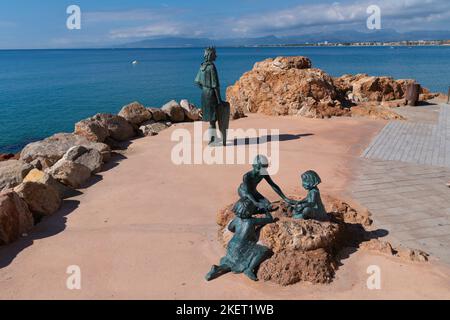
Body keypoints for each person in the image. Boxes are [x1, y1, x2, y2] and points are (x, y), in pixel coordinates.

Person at [205, 198, 273, 281]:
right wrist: (266, 211)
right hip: (243, 246)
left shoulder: (237, 219)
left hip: (232, 244)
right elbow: (270, 219)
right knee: (263, 250)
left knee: (232, 261)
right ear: (249, 211)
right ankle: (249, 269)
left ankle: (217, 269)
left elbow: (230, 228)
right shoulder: (251, 221)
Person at [195, 47, 224, 145]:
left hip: (204, 94)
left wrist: (205, 88)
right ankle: (212, 140)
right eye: (214, 54)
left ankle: (213, 138)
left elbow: (197, 82)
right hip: (211, 95)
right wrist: (219, 100)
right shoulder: (211, 67)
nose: (216, 55)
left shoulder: (202, 66)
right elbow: (216, 86)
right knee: (213, 119)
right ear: (210, 55)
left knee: (211, 119)